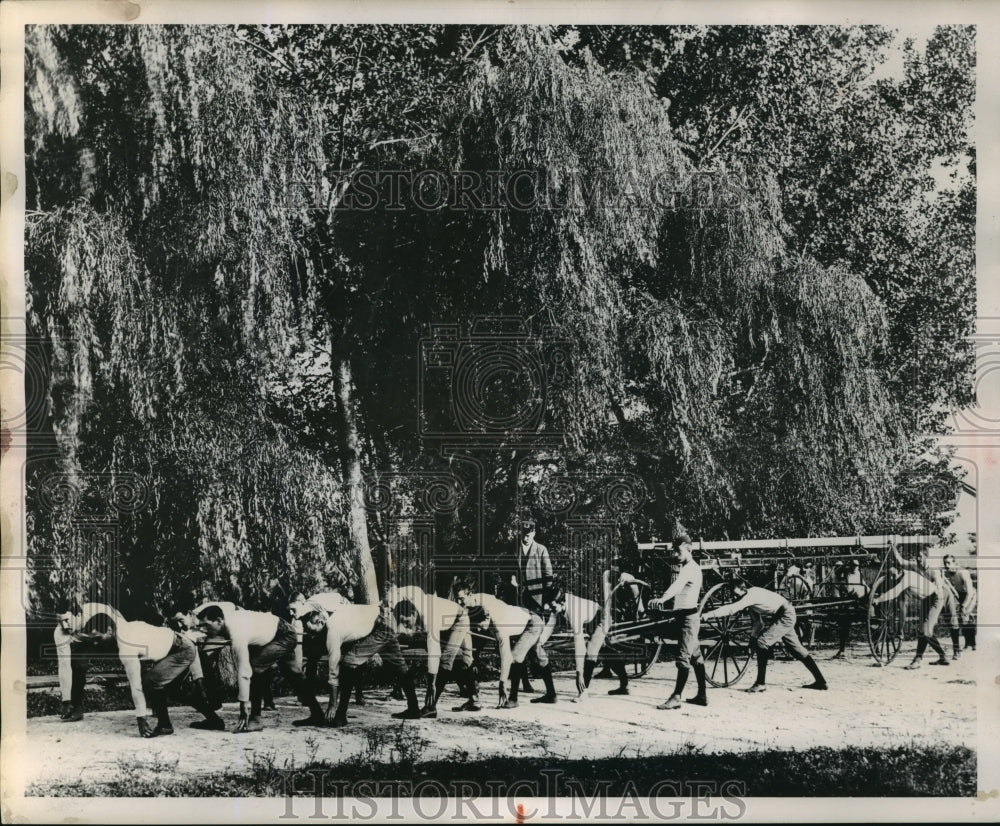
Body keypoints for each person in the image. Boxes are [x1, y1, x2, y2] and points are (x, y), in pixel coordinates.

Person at [76, 608, 225, 737]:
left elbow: (136, 685)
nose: (96, 643)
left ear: (109, 630)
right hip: (175, 648)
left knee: (150, 681)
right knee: (176, 691)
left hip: (182, 649)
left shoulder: (126, 645)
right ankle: (214, 720)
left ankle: (165, 725)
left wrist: (141, 719)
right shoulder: (121, 627)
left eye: (97, 638)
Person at [194, 602, 323, 731]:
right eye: (201, 626)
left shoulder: (236, 631)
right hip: (273, 633)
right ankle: (317, 714)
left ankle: (255, 719)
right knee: (295, 676)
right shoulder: (225, 619)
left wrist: (243, 706)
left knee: (255, 667)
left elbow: (244, 670)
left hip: (283, 634)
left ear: (218, 621)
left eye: (206, 625)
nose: (203, 630)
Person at [296, 600, 421, 727]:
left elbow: (334, 672)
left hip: (381, 627)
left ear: (320, 621)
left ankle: (340, 715)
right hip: (386, 623)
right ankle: (414, 708)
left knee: (348, 662)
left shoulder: (332, 630)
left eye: (313, 630)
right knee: (401, 668)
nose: (312, 635)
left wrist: (332, 706)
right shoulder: (334, 610)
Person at [701, 584, 828, 692]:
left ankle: (760, 683)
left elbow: (731, 609)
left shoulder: (749, 596)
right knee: (797, 650)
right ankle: (821, 682)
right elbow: (758, 623)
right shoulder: (749, 599)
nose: (735, 598)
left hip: (785, 615)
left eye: (736, 594)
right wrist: (752, 640)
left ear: (743, 589)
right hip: (783, 614)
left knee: (762, 642)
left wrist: (708, 615)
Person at [389, 584, 481, 716]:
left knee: (446, 661)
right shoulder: (406, 603)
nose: (406, 625)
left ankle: (431, 707)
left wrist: (431, 684)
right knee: (462, 660)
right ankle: (473, 699)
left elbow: (434, 652)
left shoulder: (429, 618)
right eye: (403, 622)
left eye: (407, 621)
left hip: (459, 619)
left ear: (414, 614)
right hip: (447, 621)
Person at [454, 585, 544, 709]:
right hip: (517, 619)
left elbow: (505, 657)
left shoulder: (499, 625)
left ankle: (513, 699)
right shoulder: (475, 604)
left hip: (532, 623)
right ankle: (472, 695)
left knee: (515, 657)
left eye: (479, 625)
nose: (478, 629)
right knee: (537, 658)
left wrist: (502, 685)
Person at [648, 536, 708, 709]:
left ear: (689, 549)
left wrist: (662, 598)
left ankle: (676, 697)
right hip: (683, 617)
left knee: (683, 658)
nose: (676, 554)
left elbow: (677, 587)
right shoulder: (687, 567)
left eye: (679, 551)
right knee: (695, 656)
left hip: (689, 619)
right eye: (674, 551)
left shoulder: (691, 569)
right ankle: (702, 696)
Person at [874, 544, 957, 668]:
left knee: (925, 630)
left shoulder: (910, 577)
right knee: (923, 631)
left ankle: (921, 660)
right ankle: (938, 657)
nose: (917, 559)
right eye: (916, 557)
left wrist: (879, 599)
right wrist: (894, 548)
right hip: (926, 599)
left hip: (936, 597)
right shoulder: (912, 567)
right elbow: (901, 560)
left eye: (920, 557)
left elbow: (895, 591)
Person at [54, 602, 123, 722]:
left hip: (103, 634)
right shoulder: (60, 632)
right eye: (65, 625)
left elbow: (121, 620)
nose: (68, 627)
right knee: (78, 667)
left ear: (80, 616)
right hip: (82, 641)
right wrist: (66, 700)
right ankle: (76, 707)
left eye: (70, 624)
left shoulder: (102, 612)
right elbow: (64, 665)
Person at [831, 559, 867, 659]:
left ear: (858, 566)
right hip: (847, 602)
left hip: (860, 600)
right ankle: (841, 650)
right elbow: (836, 589)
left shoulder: (858, 574)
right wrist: (838, 601)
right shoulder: (841, 576)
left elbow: (862, 587)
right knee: (843, 625)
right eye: (852, 565)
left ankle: (875, 647)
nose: (854, 567)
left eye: (856, 565)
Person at [942, 553, 977, 654]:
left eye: (949, 563)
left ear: (955, 563)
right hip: (960, 595)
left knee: (965, 617)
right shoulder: (947, 573)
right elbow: (952, 587)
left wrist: (964, 605)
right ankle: (968, 643)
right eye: (945, 563)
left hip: (970, 595)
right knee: (963, 619)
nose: (947, 565)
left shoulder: (963, 572)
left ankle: (972, 644)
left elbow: (970, 592)